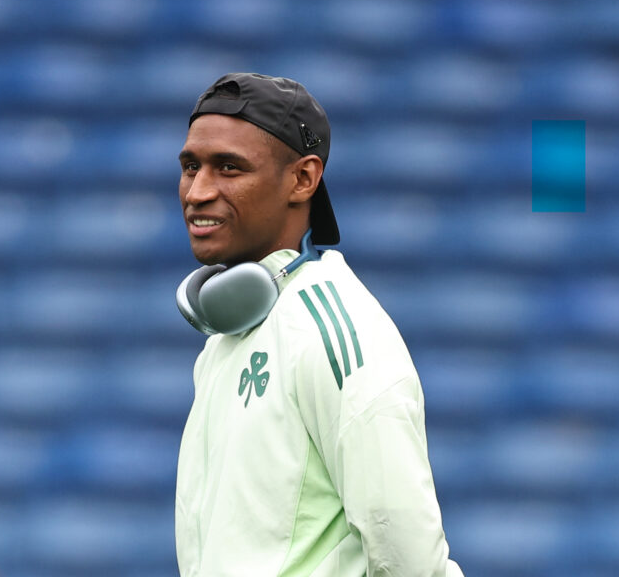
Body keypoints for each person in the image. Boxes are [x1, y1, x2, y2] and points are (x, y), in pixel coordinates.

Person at [174, 72, 464, 576]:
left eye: (229, 168)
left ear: (303, 179)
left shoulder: (336, 332)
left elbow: (412, 558)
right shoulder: (226, 336)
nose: (198, 191)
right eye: (190, 167)